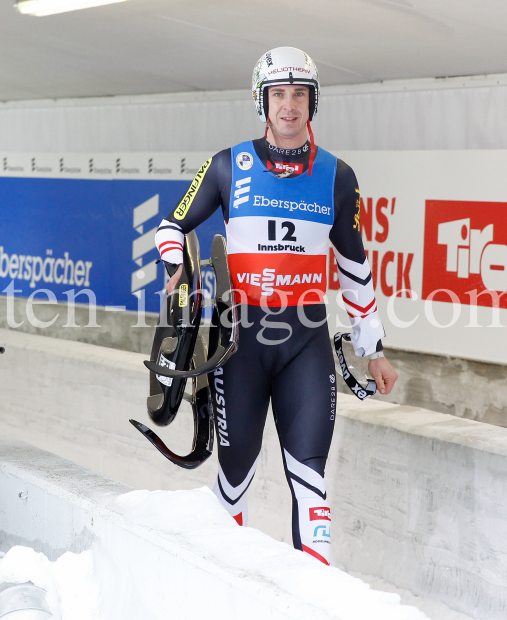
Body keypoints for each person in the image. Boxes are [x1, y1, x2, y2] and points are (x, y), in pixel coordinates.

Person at [153, 46, 398, 566]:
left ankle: (313, 599)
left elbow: (355, 266)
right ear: (263, 103)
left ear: (313, 103)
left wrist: (372, 349)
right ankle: (219, 590)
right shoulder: (227, 165)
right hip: (238, 339)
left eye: (300, 95)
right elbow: (171, 225)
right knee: (236, 472)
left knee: (310, 473)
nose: (290, 106)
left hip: (306, 340)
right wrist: (177, 266)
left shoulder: (338, 176)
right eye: (279, 95)